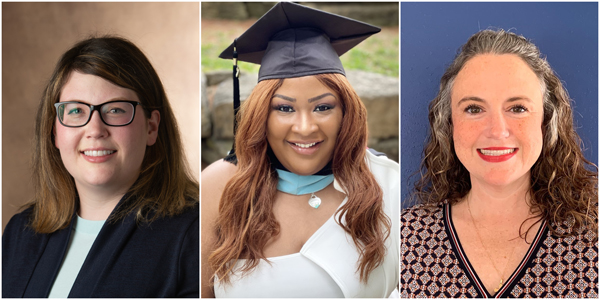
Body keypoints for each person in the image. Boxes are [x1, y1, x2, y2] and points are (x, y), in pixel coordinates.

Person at [201, 2, 399, 298]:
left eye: (323, 107)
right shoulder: (221, 186)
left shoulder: (388, 184)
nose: (305, 127)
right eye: (284, 108)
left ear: (346, 112)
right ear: (261, 116)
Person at [401, 29, 598, 298]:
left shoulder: (592, 231)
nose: (497, 130)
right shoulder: (407, 238)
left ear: (547, 121)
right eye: (473, 109)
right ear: (449, 124)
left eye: (517, 108)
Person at [2, 36, 199, 297]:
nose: (95, 130)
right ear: (54, 132)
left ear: (151, 127)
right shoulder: (21, 232)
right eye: (75, 111)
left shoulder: (191, 238)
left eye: (115, 110)